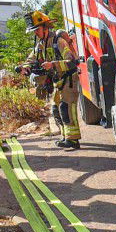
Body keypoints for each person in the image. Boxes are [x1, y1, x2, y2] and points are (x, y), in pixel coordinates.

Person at [19, 10, 81, 149]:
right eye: (34, 30)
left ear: (45, 27)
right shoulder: (41, 44)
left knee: (66, 108)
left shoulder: (59, 41)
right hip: (57, 80)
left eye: (37, 29)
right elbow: (31, 59)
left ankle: (73, 140)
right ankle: (66, 137)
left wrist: (52, 64)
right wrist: (25, 68)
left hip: (69, 78)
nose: (36, 33)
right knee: (56, 109)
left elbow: (72, 62)